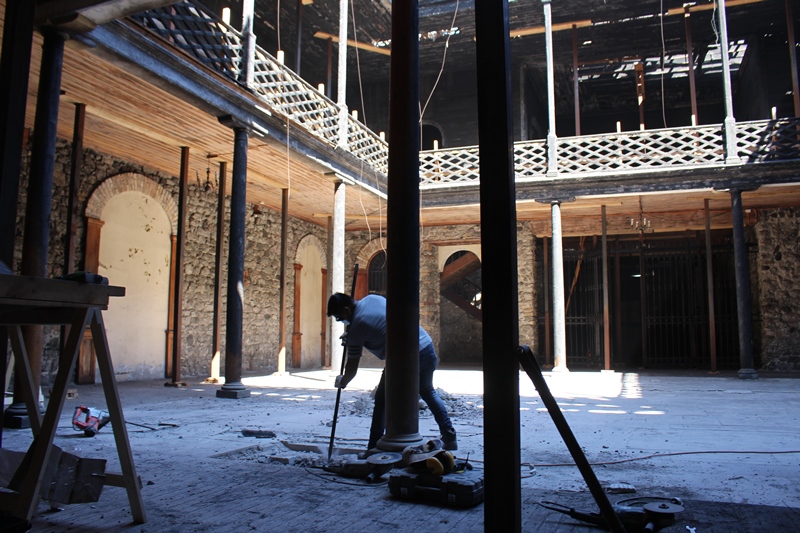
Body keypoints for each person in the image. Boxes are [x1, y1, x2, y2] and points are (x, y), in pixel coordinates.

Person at [327, 292, 457, 451]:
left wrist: (342, 381)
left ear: (346, 310)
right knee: (428, 391)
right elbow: (381, 323)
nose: (340, 321)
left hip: (405, 357)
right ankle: (449, 436)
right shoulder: (371, 298)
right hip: (425, 346)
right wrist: (354, 336)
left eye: (339, 318)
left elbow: (352, 369)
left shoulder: (357, 327)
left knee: (382, 400)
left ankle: (373, 447)